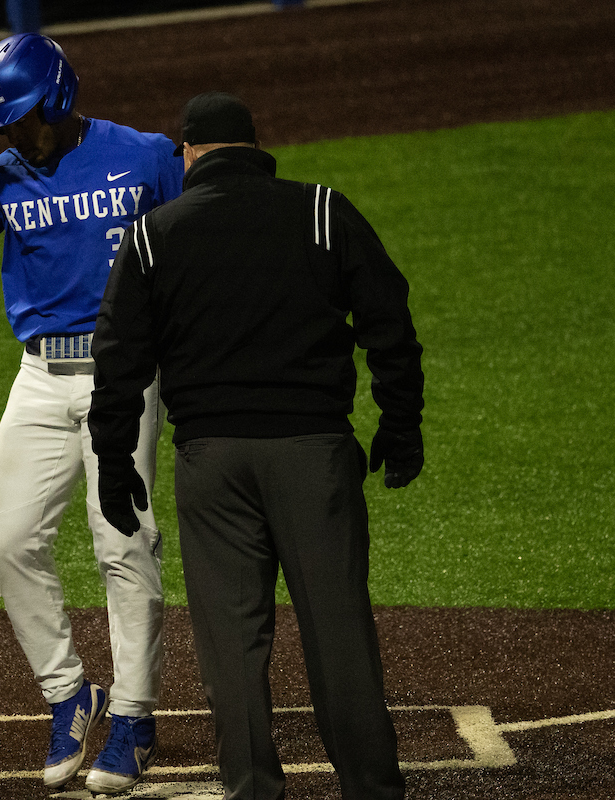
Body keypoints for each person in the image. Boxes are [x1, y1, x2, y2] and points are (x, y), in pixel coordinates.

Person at [88, 91, 424, 800]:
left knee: (234, 651)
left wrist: (114, 464)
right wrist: (400, 421)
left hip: (213, 468)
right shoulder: (321, 211)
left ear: (188, 154)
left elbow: (118, 362)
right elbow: (388, 319)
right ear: (255, 147)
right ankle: (373, 790)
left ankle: (252, 791)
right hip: (314, 458)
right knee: (338, 635)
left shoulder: (153, 233)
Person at [0, 33, 184, 794]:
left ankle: (134, 717)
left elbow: (199, 237)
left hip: (125, 375)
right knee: (10, 539)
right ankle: (70, 693)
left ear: (61, 97)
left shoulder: (145, 156)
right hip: (38, 376)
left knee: (123, 543)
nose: (15, 136)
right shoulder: (2, 174)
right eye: (3, 125)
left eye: (25, 119)